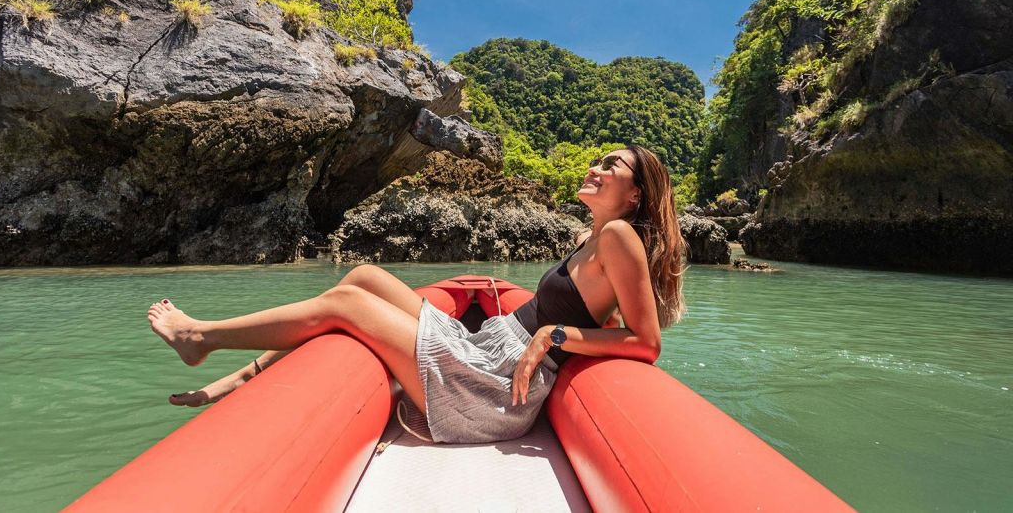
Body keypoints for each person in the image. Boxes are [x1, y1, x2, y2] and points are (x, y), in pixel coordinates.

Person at [148, 144, 687, 443]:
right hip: (488, 345)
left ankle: (201, 337)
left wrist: (555, 333)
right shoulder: (595, 236)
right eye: (599, 160)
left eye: (611, 166)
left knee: (347, 305)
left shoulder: (618, 237)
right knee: (363, 275)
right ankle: (249, 372)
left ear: (635, 193)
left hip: (496, 382)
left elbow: (645, 342)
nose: (595, 167)